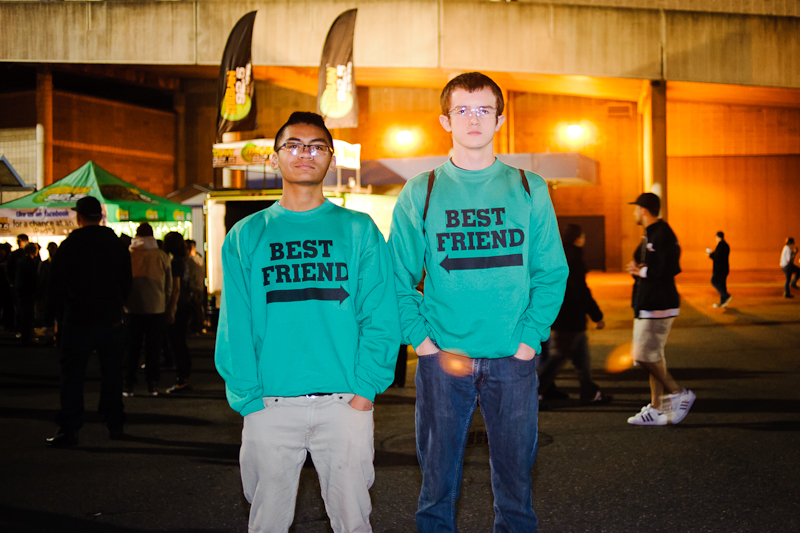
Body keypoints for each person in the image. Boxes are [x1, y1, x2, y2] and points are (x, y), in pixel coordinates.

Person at [388, 72, 568, 532]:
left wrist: (529, 340)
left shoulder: (530, 187)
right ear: (445, 121)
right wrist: (421, 342)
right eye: (463, 110)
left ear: (499, 119)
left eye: (483, 109)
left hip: (513, 359)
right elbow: (398, 277)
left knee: (516, 492)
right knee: (436, 490)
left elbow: (551, 272)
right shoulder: (421, 191)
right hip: (442, 359)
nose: (473, 118)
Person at [215, 111, 400, 532]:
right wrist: (248, 398)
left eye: (317, 146)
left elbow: (380, 316)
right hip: (270, 405)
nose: (305, 153)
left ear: (331, 160)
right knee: (267, 523)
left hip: (344, 403)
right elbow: (235, 324)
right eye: (294, 145)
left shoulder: (358, 230)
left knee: (353, 522)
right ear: (275, 157)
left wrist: (365, 391)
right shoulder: (246, 234)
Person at [46, 196, 132, 447]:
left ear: (78, 217)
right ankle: (114, 422)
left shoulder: (71, 244)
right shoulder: (116, 244)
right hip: (110, 317)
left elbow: (56, 285)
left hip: (78, 317)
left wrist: (50, 317)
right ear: (101, 216)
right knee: (112, 373)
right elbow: (127, 281)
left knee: (72, 375)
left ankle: (70, 428)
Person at [625, 193, 695, 426]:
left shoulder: (662, 232)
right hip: (649, 303)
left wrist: (642, 271)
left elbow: (670, 266)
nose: (634, 212)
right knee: (653, 356)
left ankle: (678, 393)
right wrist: (641, 267)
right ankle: (656, 408)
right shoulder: (651, 233)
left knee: (642, 356)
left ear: (644, 209)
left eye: (636, 208)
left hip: (658, 304)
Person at [538, 224, 611, 407]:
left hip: (564, 316)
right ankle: (534, 392)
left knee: (581, 357)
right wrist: (596, 314)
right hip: (569, 318)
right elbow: (580, 289)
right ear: (577, 238)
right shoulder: (574, 258)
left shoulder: (558, 255)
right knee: (558, 356)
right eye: (583, 236)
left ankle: (589, 392)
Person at [124, 223, 173, 397]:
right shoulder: (161, 256)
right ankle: (152, 384)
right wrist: (165, 304)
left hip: (132, 308)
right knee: (153, 349)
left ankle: (129, 384)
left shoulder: (128, 255)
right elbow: (169, 286)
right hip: (156, 308)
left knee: (132, 349)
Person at [163, 231, 193, 394]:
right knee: (180, 344)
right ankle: (185, 378)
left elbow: (176, 288)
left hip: (179, 306)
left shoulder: (175, 262)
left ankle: (182, 379)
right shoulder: (184, 260)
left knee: (176, 344)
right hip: (185, 305)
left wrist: (170, 310)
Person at [14, 242, 39, 344]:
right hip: (27, 292)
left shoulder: (22, 261)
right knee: (28, 314)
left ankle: (25, 335)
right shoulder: (29, 262)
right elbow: (32, 279)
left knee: (25, 314)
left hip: (23, 291)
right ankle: (27, 336)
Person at [185, 239, 206, 333]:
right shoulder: (199, 259)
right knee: (198, 308)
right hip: (199, 287)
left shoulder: (190, 260)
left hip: (193, 288)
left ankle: (195, 327)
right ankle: (198, 326)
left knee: (195, 308)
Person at [708, 231, 731, 307]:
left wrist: (710, 254)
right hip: (725, 268)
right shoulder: (726, 245)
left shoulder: (720, 246)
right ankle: (723, 301)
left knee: (714, 281)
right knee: (722, 284)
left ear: (718, 237)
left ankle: (726, 295)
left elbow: (717, 258)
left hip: (719, 269)